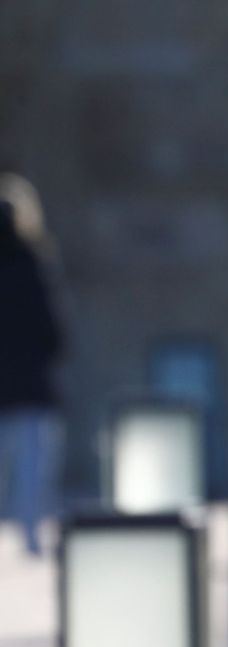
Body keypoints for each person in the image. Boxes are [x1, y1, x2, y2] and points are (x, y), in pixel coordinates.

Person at [0, 174, 65, 558]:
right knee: (31, 469)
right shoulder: (33, 263)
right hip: (29, 381)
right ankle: (30, 538)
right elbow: (51, 328)